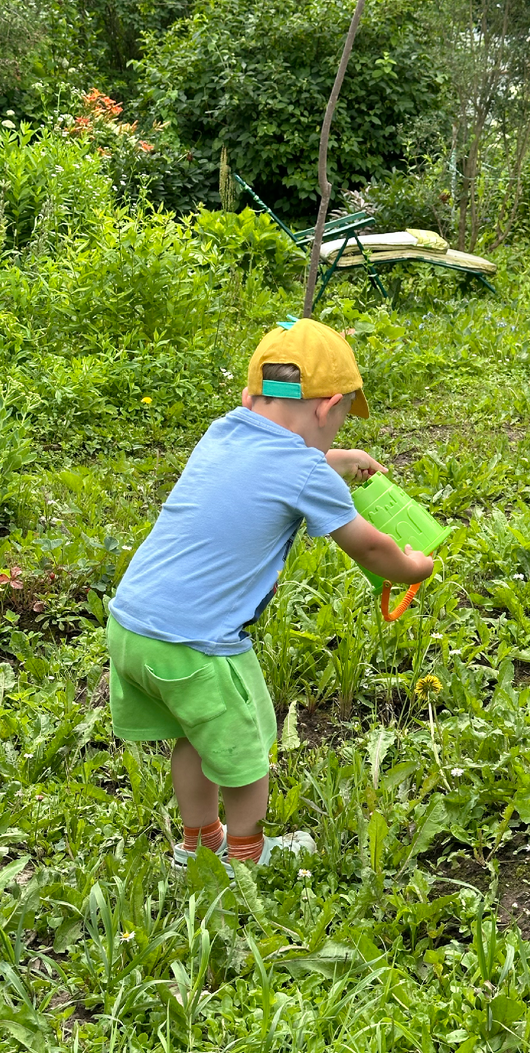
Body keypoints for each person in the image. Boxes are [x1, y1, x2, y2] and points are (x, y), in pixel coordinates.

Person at [106, 317, 434, 870]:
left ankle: (198, 844)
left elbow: (265, 467)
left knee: (194, 735)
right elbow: (371, 547)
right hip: (197, 646)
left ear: (250, 396)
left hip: (132, 626)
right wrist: (411, 568)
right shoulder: (304, 472)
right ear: (329, 408)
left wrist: (333, 461)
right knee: (246, 751)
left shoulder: (223, 432)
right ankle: (247, 855)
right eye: (339, 425)